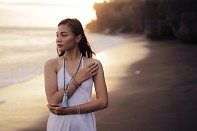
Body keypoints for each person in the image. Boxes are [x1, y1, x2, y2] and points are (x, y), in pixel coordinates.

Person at [44, 18, 108, 131]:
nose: (58, 39)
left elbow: (103, 102)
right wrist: (77, 80)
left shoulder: (93, 65)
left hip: (84, 123)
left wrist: (71, 110)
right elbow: (53, 101)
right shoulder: (52, 65)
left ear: (77, 38)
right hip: (59, 125)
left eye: (63, 35)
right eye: (57, 35)